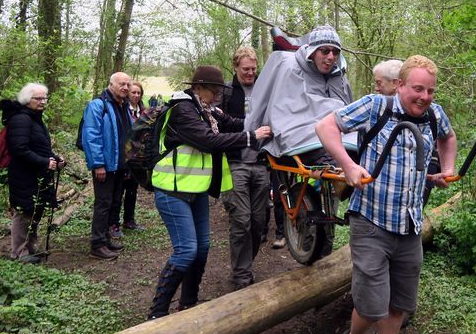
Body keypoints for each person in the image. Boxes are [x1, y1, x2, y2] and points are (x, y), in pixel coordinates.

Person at [315, 55, 457, 334]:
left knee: (400, 304)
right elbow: (325, 128)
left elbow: (448, 138)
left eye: (430, 91)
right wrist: (348, 165)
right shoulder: (377, 106)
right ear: (401, 85)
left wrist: (447, 170)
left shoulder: (434, 115)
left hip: (409, 224)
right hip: (372, 221)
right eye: (418, 89)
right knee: (371, 303)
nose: (424, 97)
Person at [148, 65, 272, 319]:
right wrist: (251, 137)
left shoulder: (207, 110)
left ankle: (188, 303)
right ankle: (157, 312)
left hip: (196, 190)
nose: (217, 94)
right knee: (186, 250)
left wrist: (265, 124)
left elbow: (234, 123)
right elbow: (209, 140)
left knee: (203, 247)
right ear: (197, 88)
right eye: (213, 89)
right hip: (171, 190)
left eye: (219, 90)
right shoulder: (183, 110)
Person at [244, 24, 357, 161]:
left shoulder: (338, 75)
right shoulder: (288, 65)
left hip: (338, 136)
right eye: (325, 51)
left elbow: (348, 111)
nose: (331, 57)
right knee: (340, 162)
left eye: (336, 52)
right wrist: (249, 146)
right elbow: (260, 102)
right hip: (300, 135)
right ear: (313, 51)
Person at [218, 46, 271, 289]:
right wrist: (249, 129)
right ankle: (241, 273)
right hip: (235, 163)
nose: (250, 73)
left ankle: (246, 263)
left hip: (261, 163)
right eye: (245, 69)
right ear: (236, 67)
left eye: (253, 68)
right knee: (242, 220)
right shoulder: (226, 93)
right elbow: (219, 124)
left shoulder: (265, 89)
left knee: (259, 222)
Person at [0, 83, 66, 264]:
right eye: (38, 98)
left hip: (37, 174)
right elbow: (19, 150)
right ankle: (18, 252)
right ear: (27, 100)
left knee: (36, 211)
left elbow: (40, 147)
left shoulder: (35, 118)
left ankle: (29, 247)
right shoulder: (21, 119)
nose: (43, 101)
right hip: (24, 175)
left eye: (45, 98)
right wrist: (45, 162)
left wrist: (55, 159)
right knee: (23, 213)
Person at [82, 72, 133, 260]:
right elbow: (91, 135)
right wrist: (98, 164)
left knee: (113, 203)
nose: (125, 88)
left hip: (120, 165)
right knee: (103, 204)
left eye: (128, 84)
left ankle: (105, 239)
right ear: (111, 85)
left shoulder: (124, 106)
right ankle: (97, 244)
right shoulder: (98, 105)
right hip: (105, 166)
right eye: (122, 84)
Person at [121, 80, 146, 231]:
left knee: (132, 190)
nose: (136, 95)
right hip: (124, 156)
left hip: (137, 157)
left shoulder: (143, 111)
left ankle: (129, 220)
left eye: (139, 93)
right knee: (118, 192)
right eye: (133, 92)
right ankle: (113, 224)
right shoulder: (123, 110)